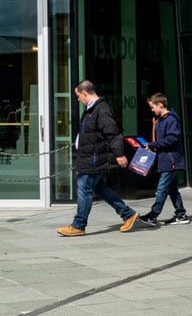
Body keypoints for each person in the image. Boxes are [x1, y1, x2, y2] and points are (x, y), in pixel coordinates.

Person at [57, 80, 140, 236]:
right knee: (101, 189)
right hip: (89, 158)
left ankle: (78, 225)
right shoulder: (91, 110)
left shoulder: (101, 110)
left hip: (93, 160)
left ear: (84, 93)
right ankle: (128, 214)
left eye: (78, 96)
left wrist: (119, 154)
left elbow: (113, 133)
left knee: (84, 189)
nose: (78, 99)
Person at [138, 93, 189, 226]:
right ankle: (181, 214)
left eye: (152, 107)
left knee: (161, 189)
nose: (152, 110)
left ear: (160, 105)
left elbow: (172, 139)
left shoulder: (170, 119)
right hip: (165, 158)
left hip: (170, 159)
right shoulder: (160, 119)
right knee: (172, 189)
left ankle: (153, 215)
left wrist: (153, 145)